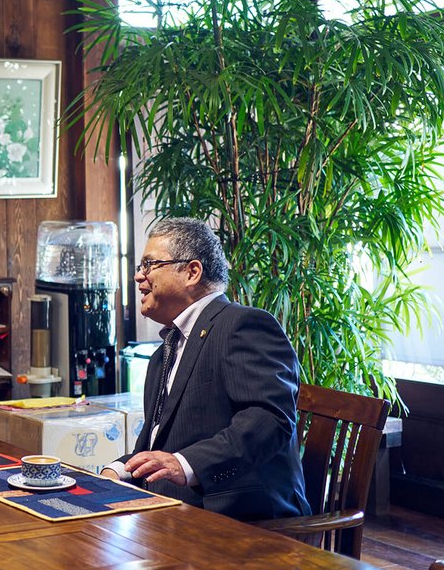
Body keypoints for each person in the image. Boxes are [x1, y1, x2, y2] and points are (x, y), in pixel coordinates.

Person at [102, 218, 311, 521]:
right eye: (139, 267)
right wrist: (117, 470)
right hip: (173, 512)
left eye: (149, 265)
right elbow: (156, 448)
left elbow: (269, 421)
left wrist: (186, 465)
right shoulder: (164, 352)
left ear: (192, 271)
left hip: (244, 521)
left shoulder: (243, 325)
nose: (138, 277)